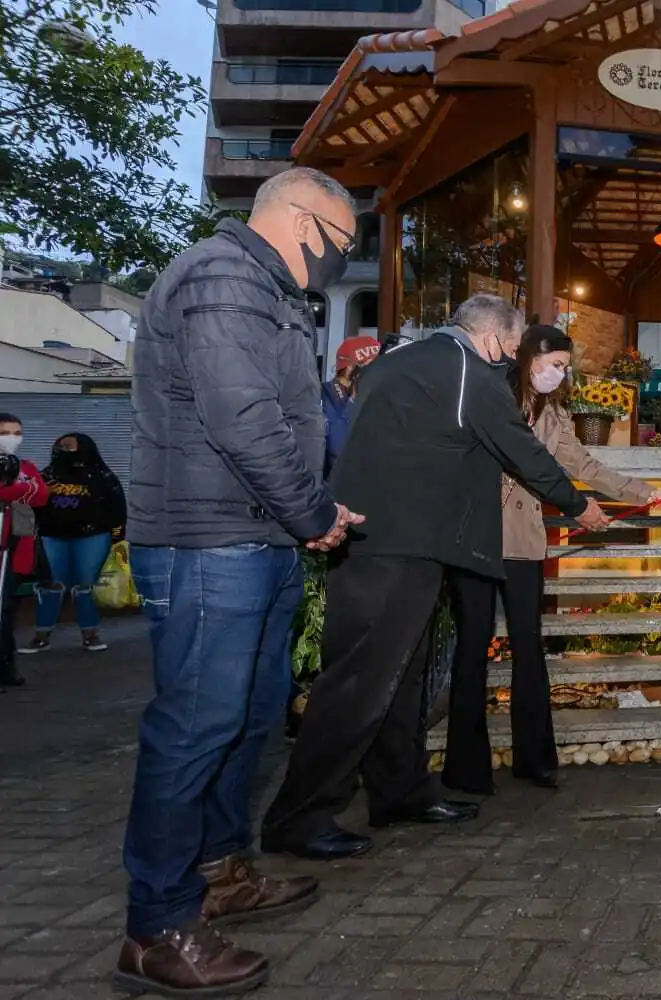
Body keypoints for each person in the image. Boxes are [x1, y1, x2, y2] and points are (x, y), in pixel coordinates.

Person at [118, 167, 363, 998]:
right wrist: (314, 512)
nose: (340, 261)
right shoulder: (223, 279)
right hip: (210, 542)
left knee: (249, 717)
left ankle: (221, 870)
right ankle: (156, 926)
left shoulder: (265, 291)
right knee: (194, 726)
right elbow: (243, 418)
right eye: (342, 243)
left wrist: (303, 514)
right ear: (301, 224)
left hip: (255, 537)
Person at [260, 295, 609, 862]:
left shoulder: (396, 362)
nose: (514, 359)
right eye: (513, 348)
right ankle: (299, 816)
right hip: (398, 543)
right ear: (496, 338)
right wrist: (576, 504)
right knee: (357, 683)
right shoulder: (471, 371)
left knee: (403, 677)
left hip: (391, 540)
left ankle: (400, 791)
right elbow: (519, 450)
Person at [443, 325, 660, 795]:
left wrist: (643, 492)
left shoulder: (556, 412)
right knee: (472, 647)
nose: (560, 376)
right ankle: (465, 768)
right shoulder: (488, 393)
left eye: (565, 368)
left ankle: (534, 758)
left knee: (528, 645)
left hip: (523, 539)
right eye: (555, 366)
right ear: (528, 358)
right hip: (475, 534)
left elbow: (583, 465)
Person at [18, 434, 126, 655]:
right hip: (52, 537)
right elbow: (30, 506)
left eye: (68, 446)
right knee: (51, 585)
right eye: (59, 446)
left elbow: (117, 511)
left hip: (93, 538)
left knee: (86, 586)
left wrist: (116, 539)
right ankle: (41, 636)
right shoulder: (45, 476)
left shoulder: (103, 477)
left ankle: (90, 634)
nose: (61, 450)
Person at [0, 414, 48, 688]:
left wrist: (12, 488)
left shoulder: (25, 465)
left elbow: (41, 495)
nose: (12, 437)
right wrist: (19, 490)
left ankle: (6, 666)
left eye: (17, 432)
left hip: (16, 548)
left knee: (6, 609)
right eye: (5, 431)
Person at [322, 335, 382, 475]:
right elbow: (337, 448)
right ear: (350, 369)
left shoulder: (374, 396)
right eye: (371, 369)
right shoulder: (324, 396)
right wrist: (353, 400)